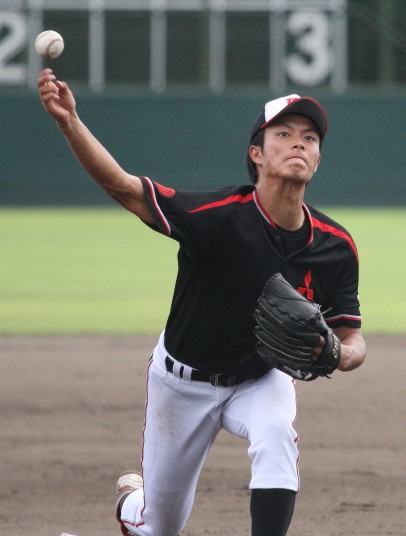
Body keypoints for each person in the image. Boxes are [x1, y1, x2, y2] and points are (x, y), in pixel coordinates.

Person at [38, 68, 366, 536]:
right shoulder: (217, 218)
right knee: (159, 527)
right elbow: (124, 188)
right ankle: (134, 501)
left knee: (276, 433)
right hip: (182, 383)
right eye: (284, 133)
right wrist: (69, 121)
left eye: (310, 138)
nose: (299, 143)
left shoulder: (335, 246)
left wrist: (340, 353)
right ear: (256, 153)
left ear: (317, 158)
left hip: (260, 377)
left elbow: (352, 337)